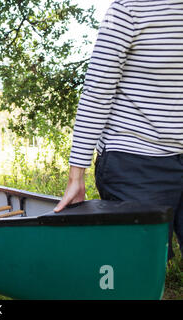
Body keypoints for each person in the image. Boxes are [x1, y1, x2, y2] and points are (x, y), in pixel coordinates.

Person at [54, 0, 183, 260]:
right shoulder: (129, 10)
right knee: (138, 267)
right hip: (136, 160)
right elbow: (97, 92)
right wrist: (76, 175)